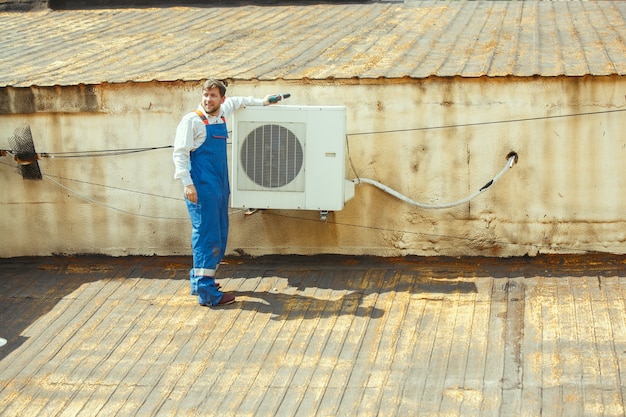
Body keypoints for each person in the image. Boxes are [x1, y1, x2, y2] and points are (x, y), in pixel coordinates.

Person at [173, 78, 278, 306]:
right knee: (206, 235)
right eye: (205, 95)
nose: (208, 99)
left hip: (219, 186)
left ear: (222, 99)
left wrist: (262, 102)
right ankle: (207, 293)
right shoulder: (192, 121)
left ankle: (200, 279)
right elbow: (180, 154)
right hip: (201, 188)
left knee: (219, 232)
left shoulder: (221, 114)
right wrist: (187, 184)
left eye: (213, 95)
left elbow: (239, 101)